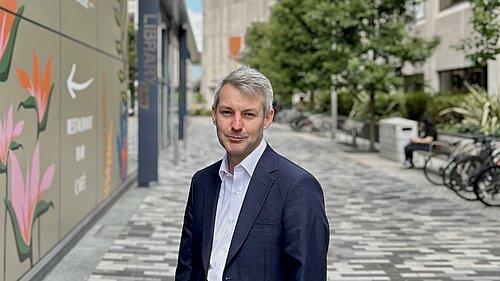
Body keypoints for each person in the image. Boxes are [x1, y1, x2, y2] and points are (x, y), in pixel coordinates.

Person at [175, 66, 330, 281]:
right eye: (227, 112)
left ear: (267, 118)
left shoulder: (298, 187)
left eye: (248, 114)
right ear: (214, 114)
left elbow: (308, 275)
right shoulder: (201, 183)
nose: (236, 125)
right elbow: (187, 268)